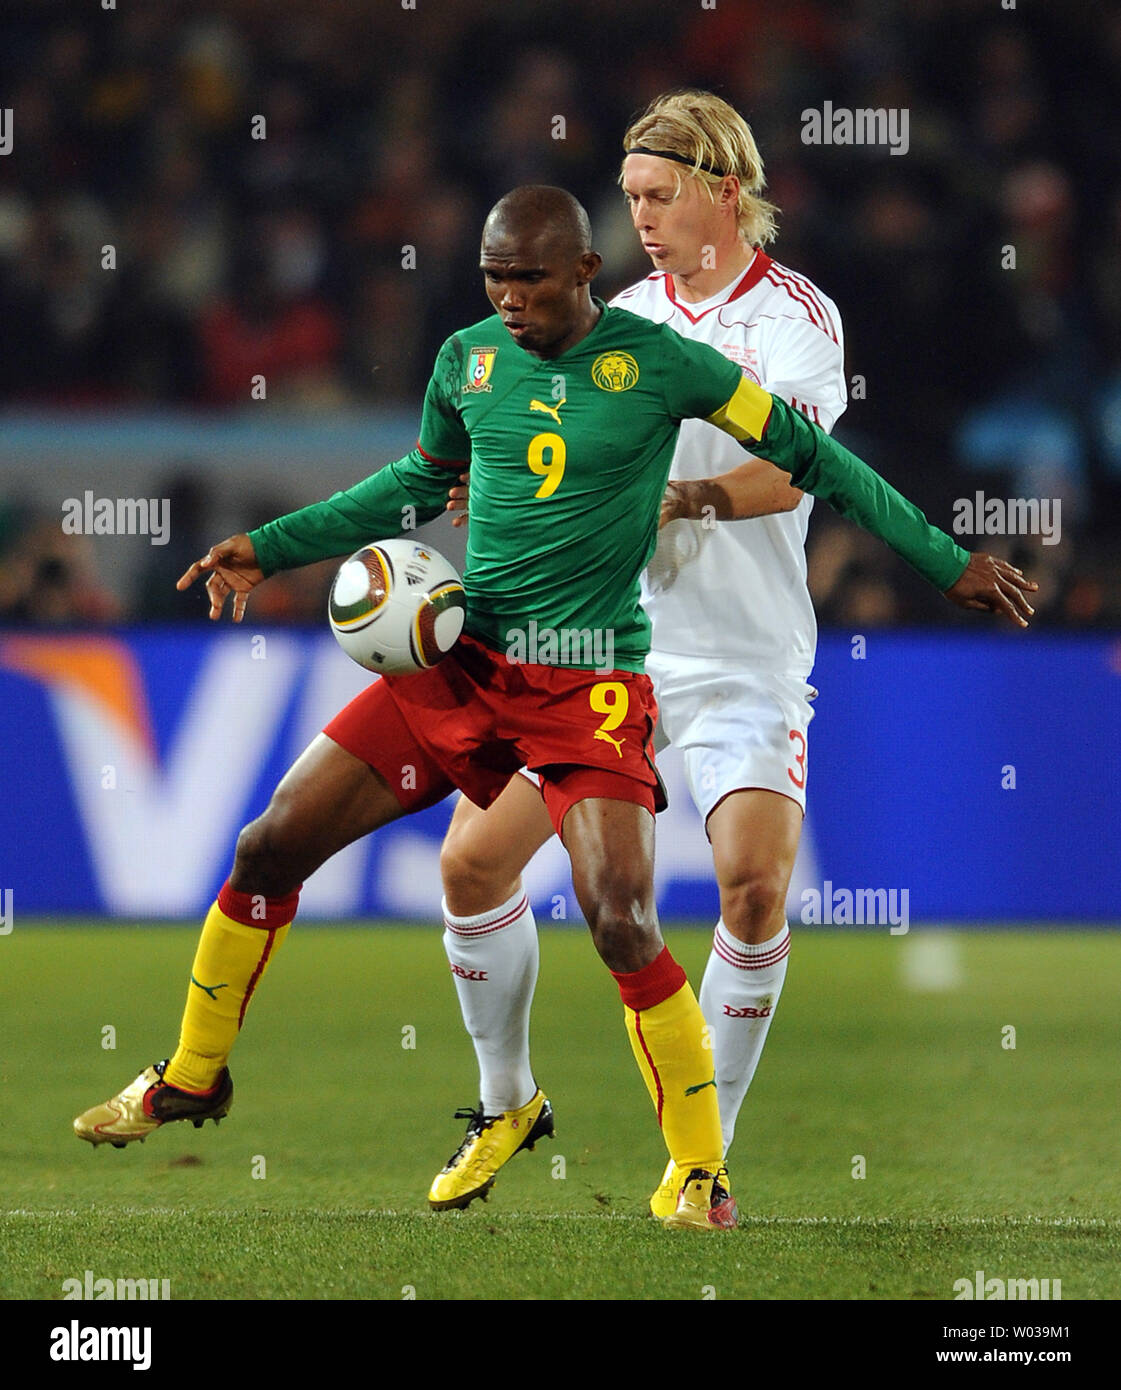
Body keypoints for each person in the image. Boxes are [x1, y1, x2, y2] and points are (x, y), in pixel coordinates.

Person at [73, 184, 1033, 1232]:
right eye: (494, 277)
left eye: (529, 277)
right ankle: (195, 1074)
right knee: (268, 843)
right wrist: (274, 544)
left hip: (588, 684)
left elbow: (817, 461)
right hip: (467, 660)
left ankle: (698, 1171)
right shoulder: (467, 359)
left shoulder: (658, 363)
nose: (510, 298)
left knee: (620, 917)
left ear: (583, 271)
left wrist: (945, 562)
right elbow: (411, 479)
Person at [426, 93, 1039, 1221]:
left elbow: (797, 469)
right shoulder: (612, 318)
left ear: (721, 189)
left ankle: (701, 1162)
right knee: (469, 867)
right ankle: (504, 1098)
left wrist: (686, 493)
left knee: (752, 888)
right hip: (606, 653)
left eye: (657, 197)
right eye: (630, 201)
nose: (639, 221)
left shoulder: (795, 318)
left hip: (744, 662)